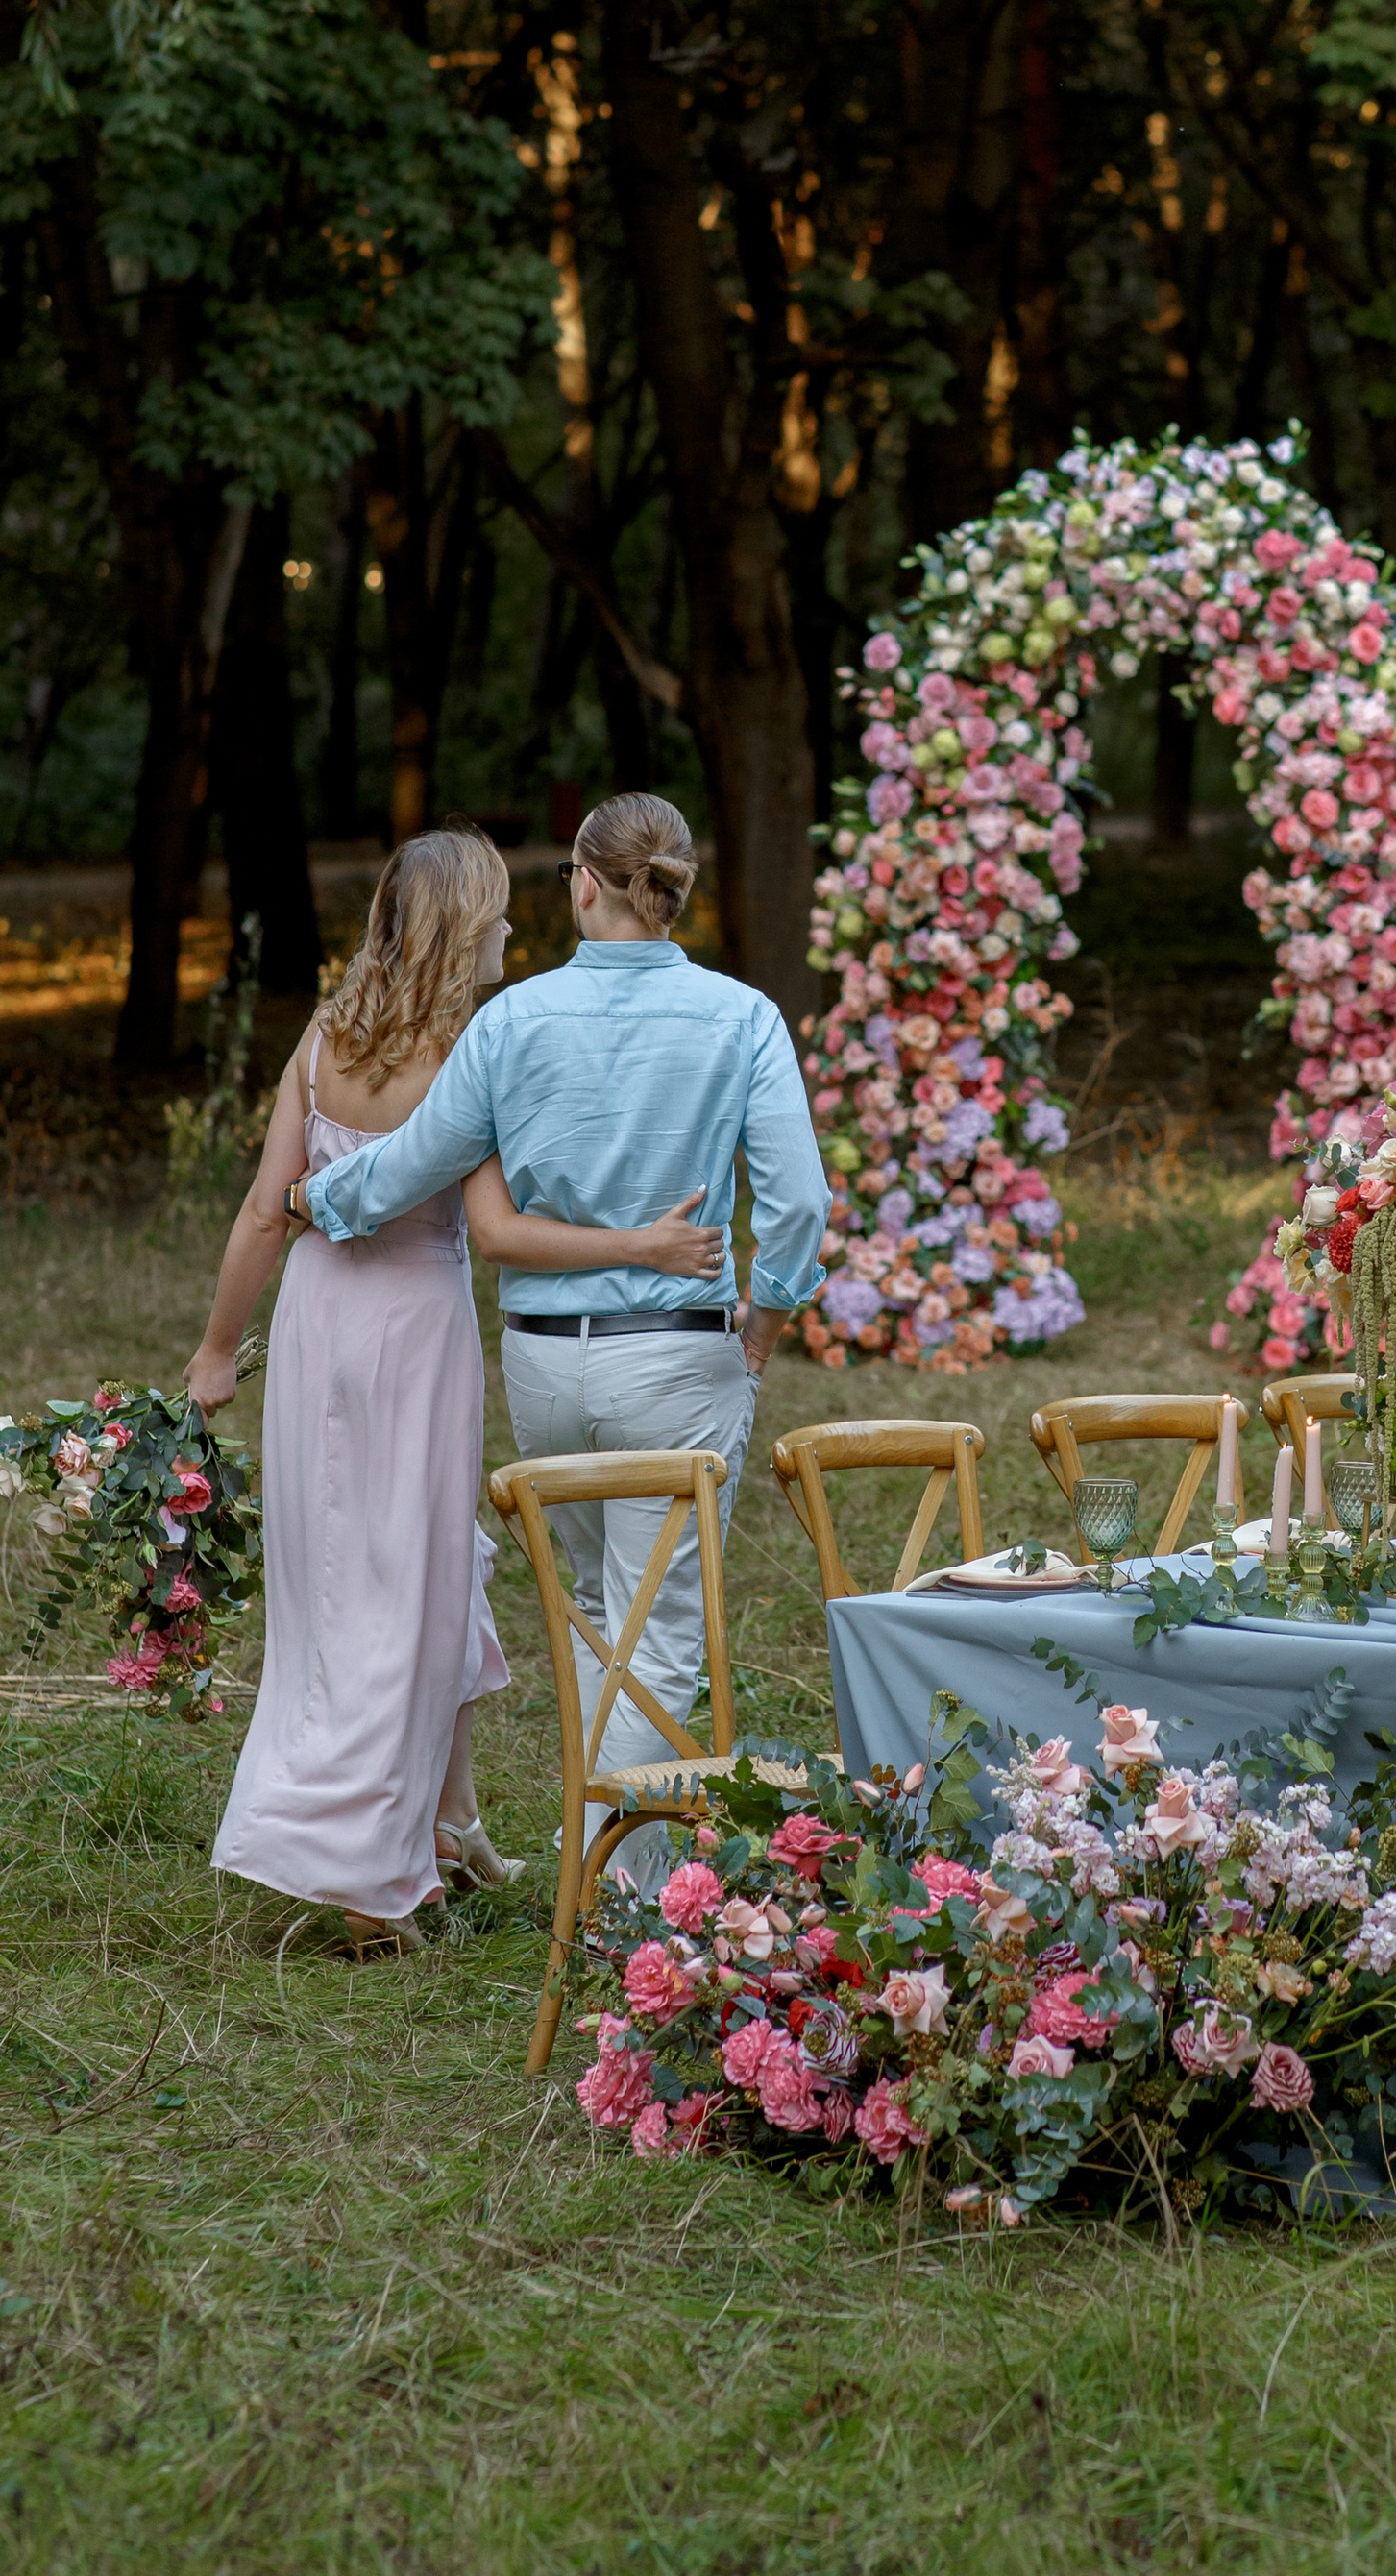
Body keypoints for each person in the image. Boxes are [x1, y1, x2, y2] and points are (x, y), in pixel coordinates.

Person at [189, 824, 727, 1955]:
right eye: (495, 913)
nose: (512, 930)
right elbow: (495, 1231)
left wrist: (212, 1351)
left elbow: (260, 1210)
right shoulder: (472, 1050)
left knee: (344, 1586)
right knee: (403, 1596)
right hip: (412, 1339)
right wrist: (643, 1242)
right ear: (459, 925)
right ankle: (368, 1879)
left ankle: (445, 1827)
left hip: (313, 1331)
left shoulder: (327, 1032)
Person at [292, 793, 829, 1869]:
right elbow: (801, 1205)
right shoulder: (742, 1016)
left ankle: (601, 1863)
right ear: (673, 893)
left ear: (584, 882)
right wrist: (761, 1330)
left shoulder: (511, 1020)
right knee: (661, 1631)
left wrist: (321, 1200)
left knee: (593, 1610)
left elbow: (413, 1163)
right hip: (679, 1356)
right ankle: (629, 1907)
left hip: (543, 1364)